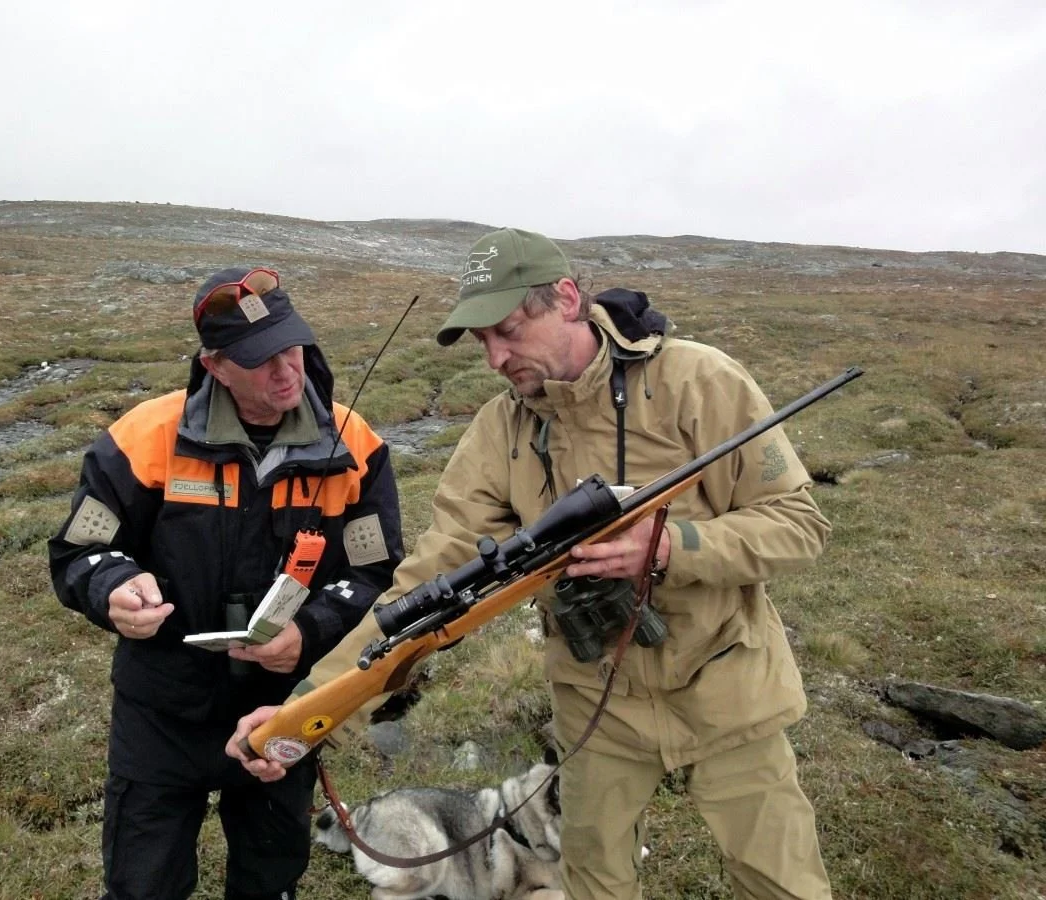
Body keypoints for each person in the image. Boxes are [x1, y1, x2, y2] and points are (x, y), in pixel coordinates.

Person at [230, 229, 837, 899]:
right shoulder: (500, 431)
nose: (495, 357)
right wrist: (307, 707)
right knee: (595, 882)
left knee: (780, 883)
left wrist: (669, 549)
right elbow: (427, 581)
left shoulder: (700, 381)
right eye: (481, 342)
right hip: (595, 705)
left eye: (508, 331)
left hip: (728, 683)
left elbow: (798, 525)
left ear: (567, 299)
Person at [49, 266, 403, 900]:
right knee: (143, 885)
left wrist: (312, 630)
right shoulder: (142, 440)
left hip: (284, 707)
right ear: (214, 367)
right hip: (161, 713)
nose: (286, 370)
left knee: (269, 881)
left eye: (291, 345)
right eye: (260, 359)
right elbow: (79, 551)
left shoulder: (356, 447)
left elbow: (374, 571)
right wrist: (113, 587)